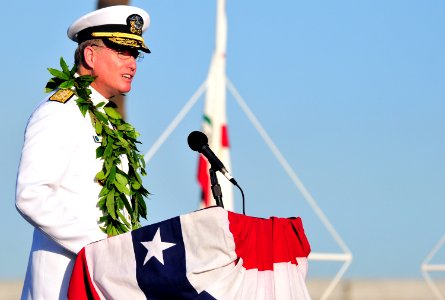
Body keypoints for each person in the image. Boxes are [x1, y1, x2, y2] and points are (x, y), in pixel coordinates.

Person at [15, 5, 151, 299]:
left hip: (104, 281)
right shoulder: (60, 112)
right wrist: (100, 246)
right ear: (90, 55)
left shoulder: (111, 123)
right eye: (121, 52)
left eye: (135, 54)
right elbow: (32, 194)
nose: (133, 64)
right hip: (65, 283)